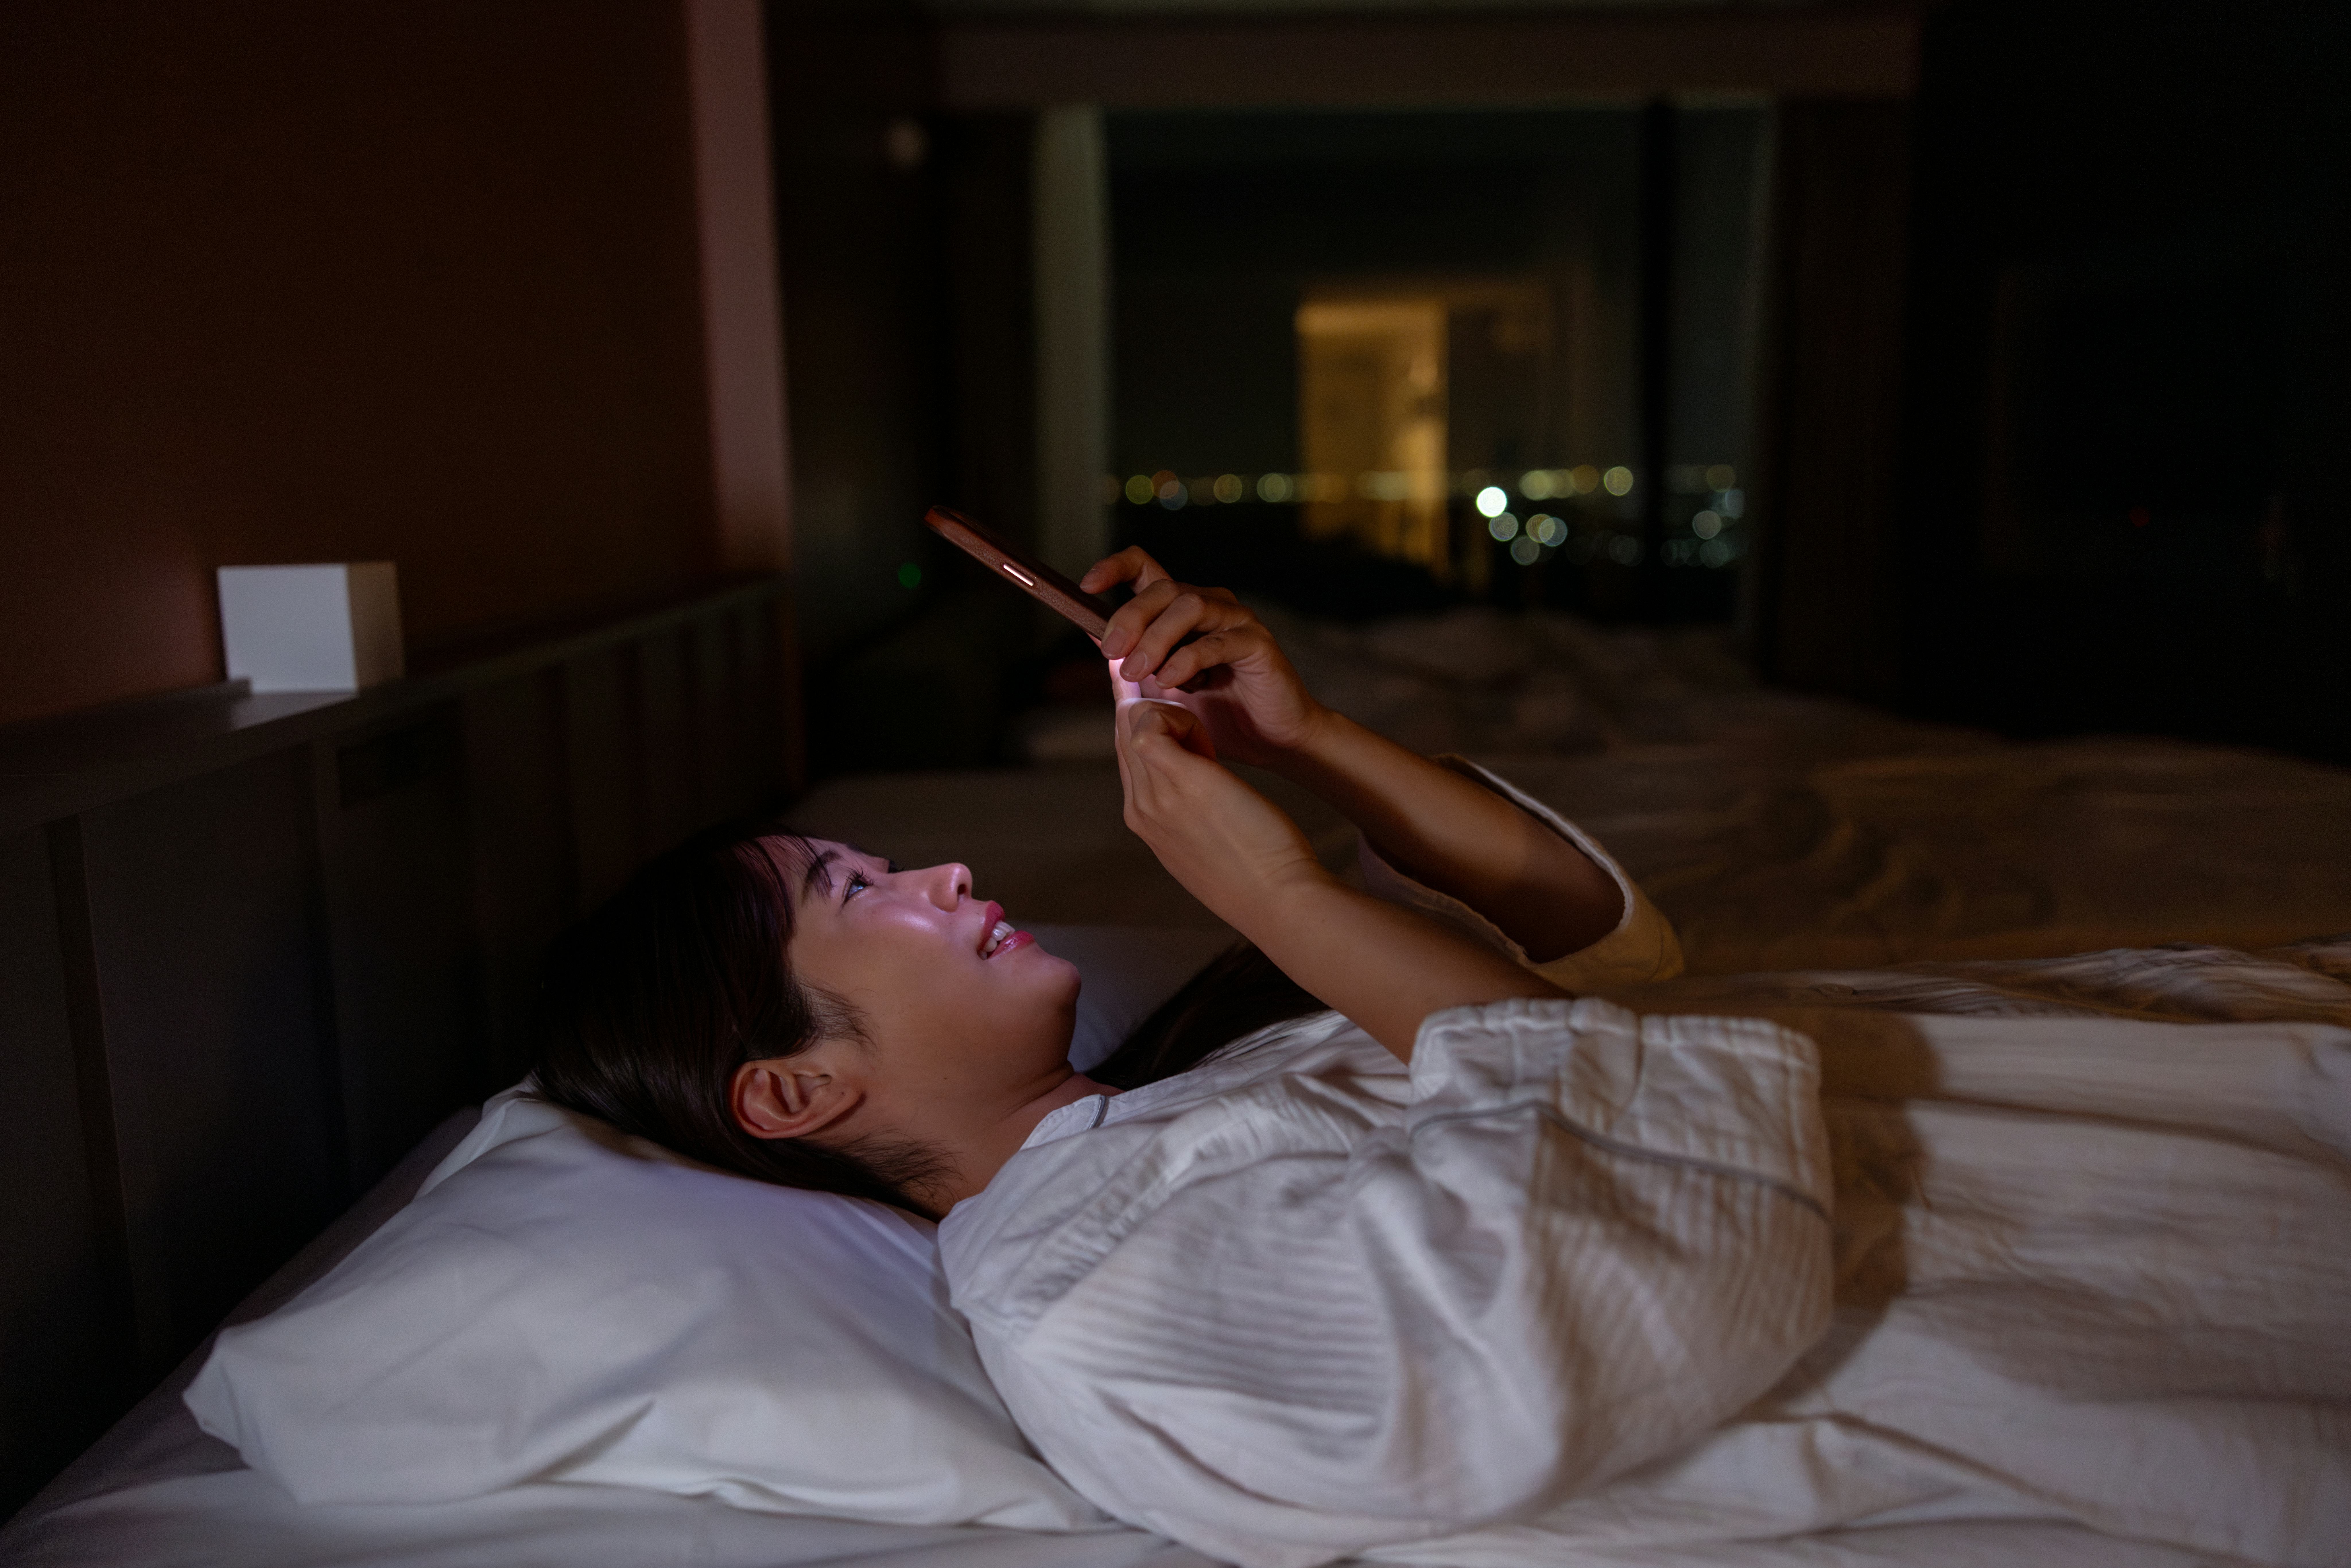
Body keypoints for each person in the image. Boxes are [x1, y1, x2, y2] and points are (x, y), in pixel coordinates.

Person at [535, 548, 1836, 1566]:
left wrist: (1302, 739)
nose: (944, 872)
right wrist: (1278, 893)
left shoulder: (1177, 1081)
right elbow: (1618, 1261)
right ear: (796, 1087)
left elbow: (1606, 964)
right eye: (858, 889)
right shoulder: (1076, 1297)